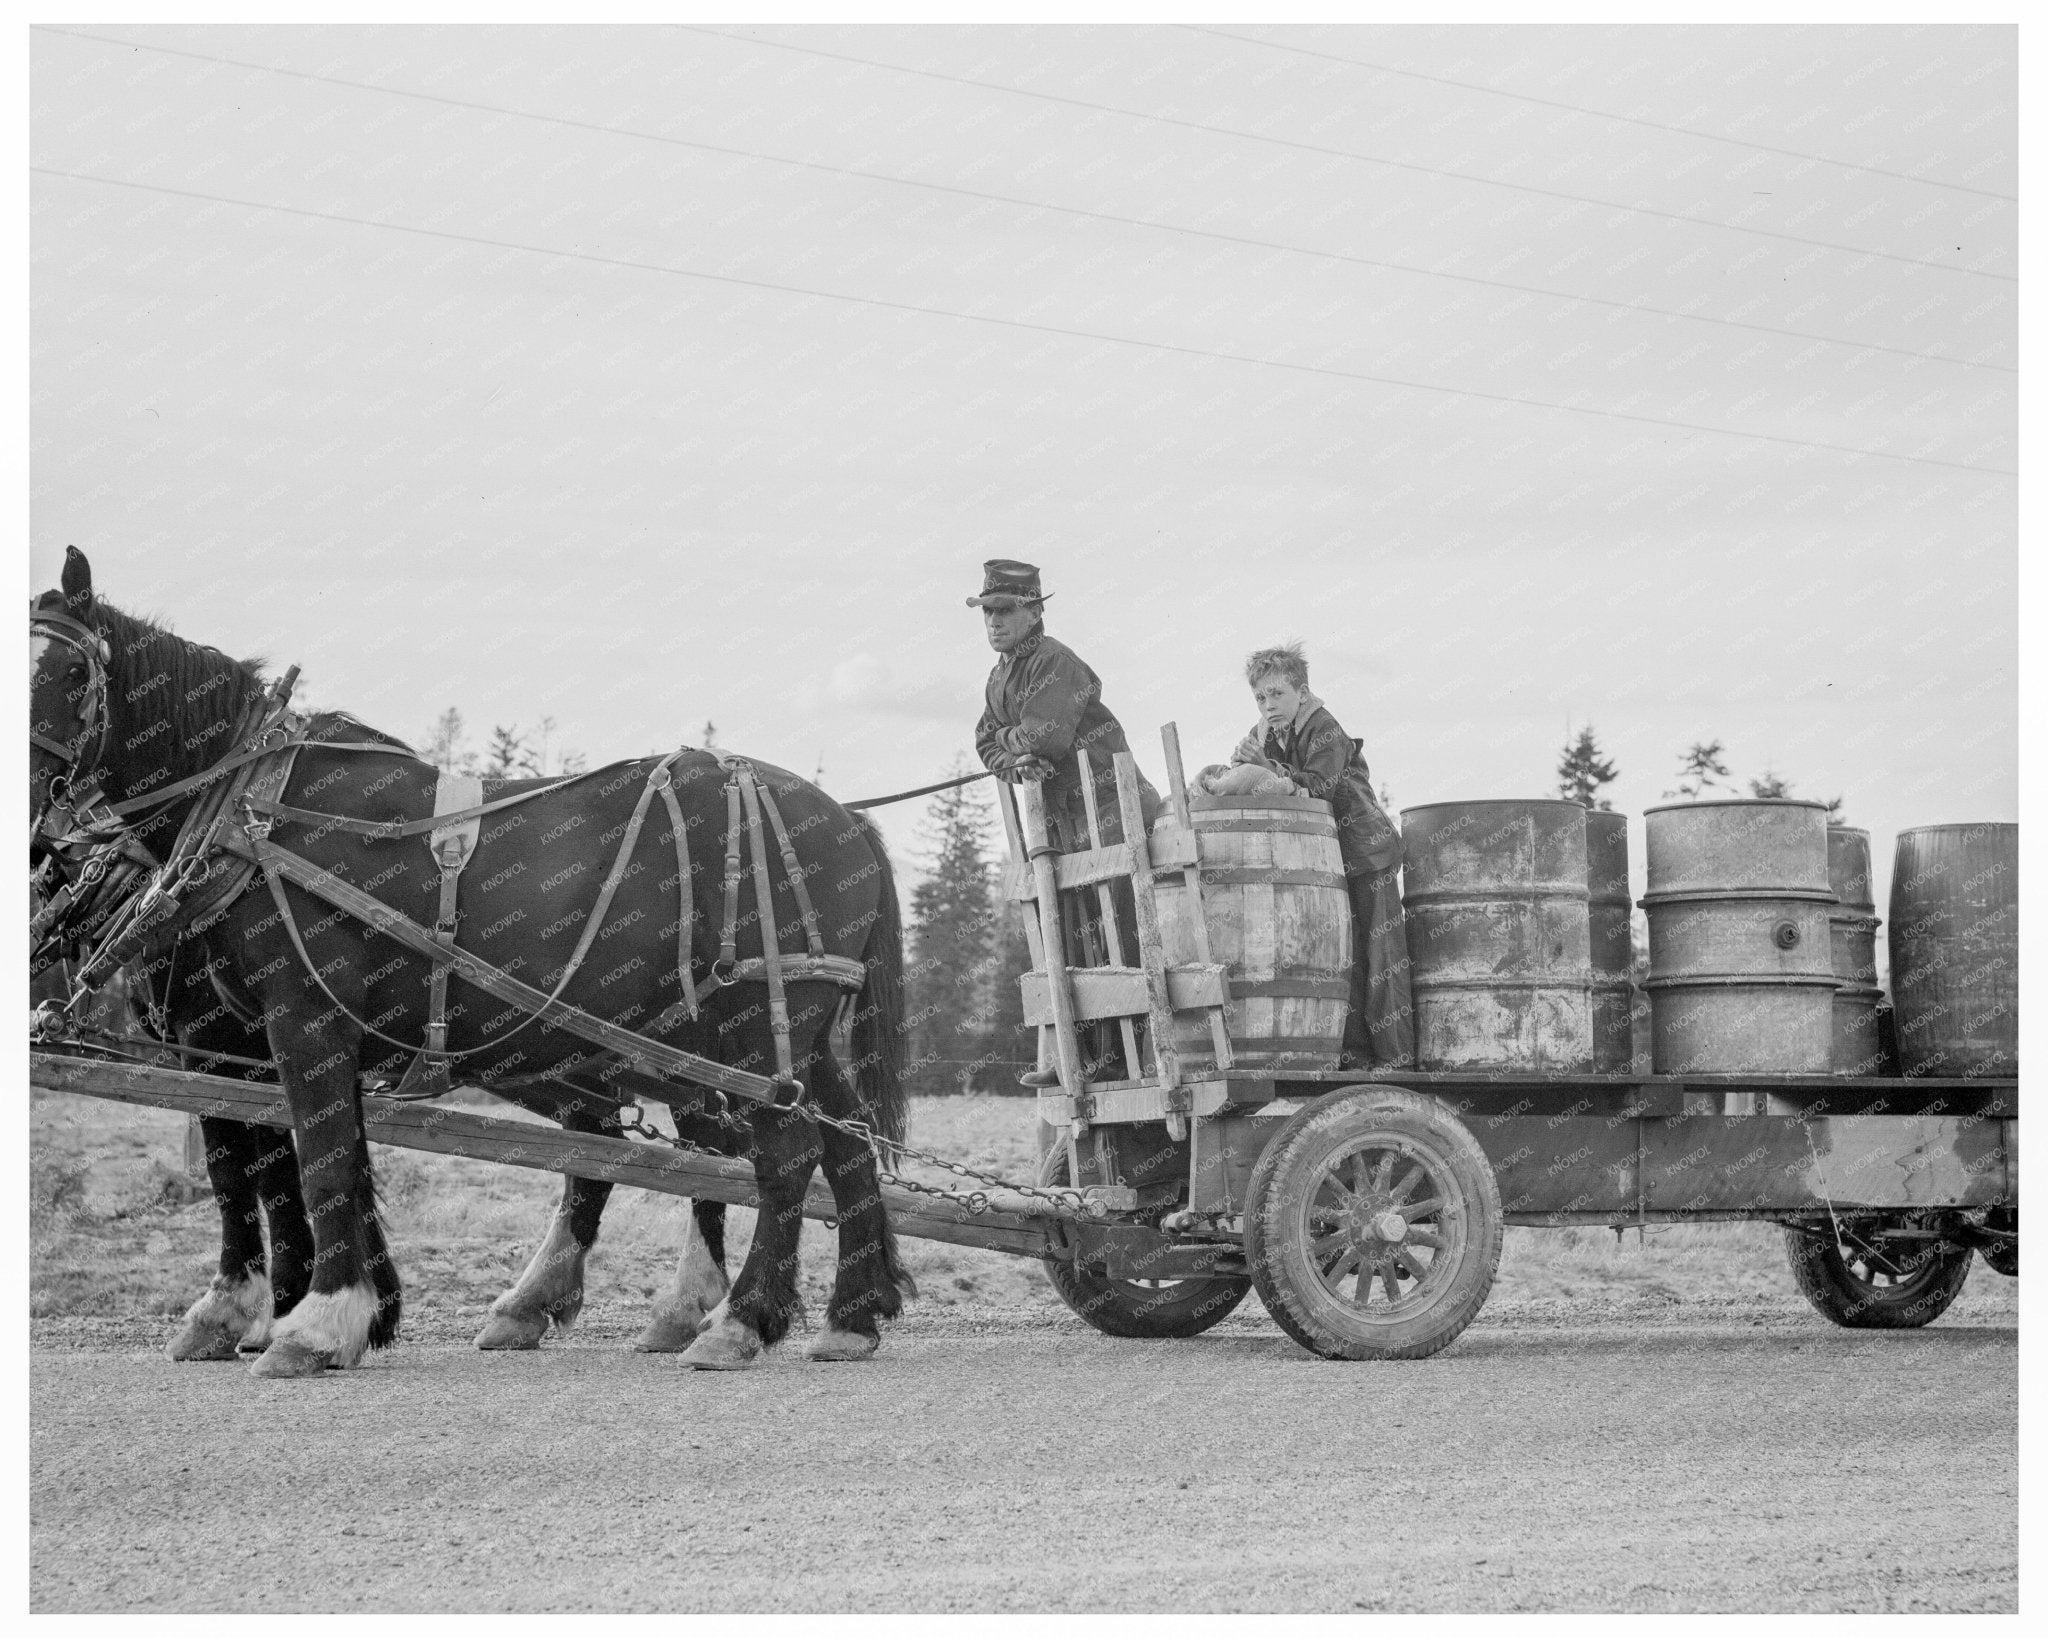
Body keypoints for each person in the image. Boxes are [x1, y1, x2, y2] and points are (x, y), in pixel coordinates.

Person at [970, 559, 1159, 1083]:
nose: (993, 622)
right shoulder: (1000, 676)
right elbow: (985, 742)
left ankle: (1121, 1060)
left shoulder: (1057, 663)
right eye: (986, 612)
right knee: (1071, 940)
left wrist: (1013, 746)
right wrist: (1011, 752)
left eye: (1003, 610)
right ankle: (1077, 1060)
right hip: (1067, 826)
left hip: (1112, 815)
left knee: (1117, 940)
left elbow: (1042, 739)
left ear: (1033, 612)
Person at [1220, 642, 1415, 1070]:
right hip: (1327, 860)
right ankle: (1359, 1056)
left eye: (1277, 694)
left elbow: (1317, 785)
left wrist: (1266, 768)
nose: (1268, 705)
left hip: (1368, 851)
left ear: (1302, 693)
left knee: (1382, 956)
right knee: (1348, 961)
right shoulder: (1271, 732)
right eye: (1260, 697)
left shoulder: (1324, 727)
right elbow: (1263, 779)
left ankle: (1398, 1059)